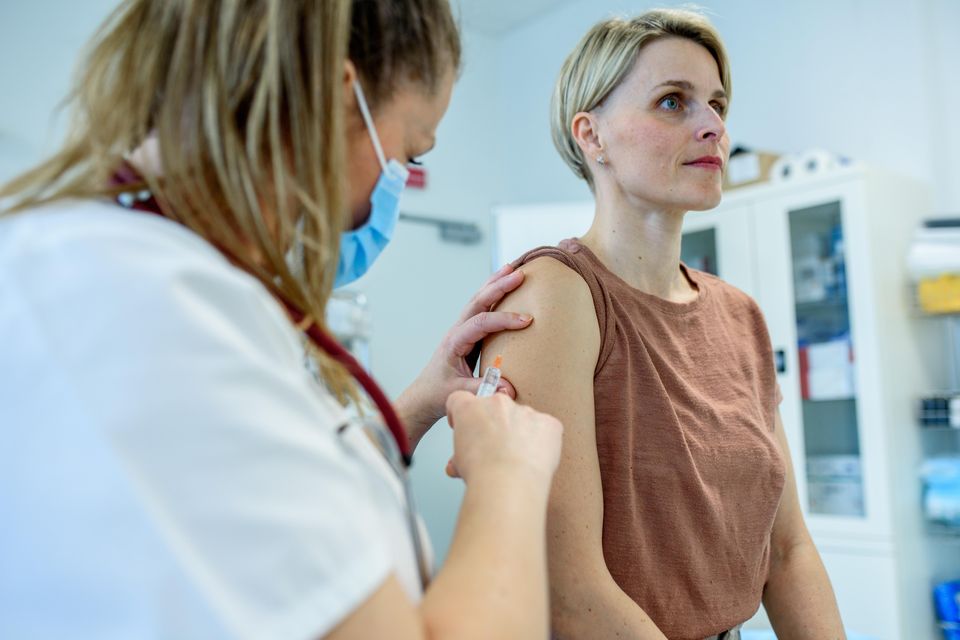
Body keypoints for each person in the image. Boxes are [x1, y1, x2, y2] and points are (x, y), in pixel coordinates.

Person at [0, 1, 563, 639]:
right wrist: (508, 477)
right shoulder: (137, 309)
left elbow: (266, 477)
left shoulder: (168, 283)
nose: (392, 187)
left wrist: (414, 409)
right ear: (334, 98)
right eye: (409, 151)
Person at [482, 8, 846, 640]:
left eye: (718, 104)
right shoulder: (555, 295)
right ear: (591, 136)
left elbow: (787, 553)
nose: (713, 127)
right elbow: (570, 593)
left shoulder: (739, 316)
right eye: (674, 102)